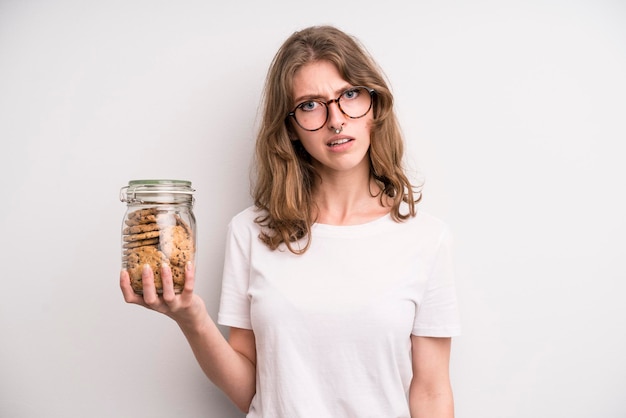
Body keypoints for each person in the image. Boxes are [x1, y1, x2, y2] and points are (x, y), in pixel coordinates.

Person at [120, 25, 461, 418]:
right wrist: (191, 318)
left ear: (374, 105)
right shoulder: (250, 232)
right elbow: (250, 391)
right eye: (311, 105)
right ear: (292, 128)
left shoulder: (426, 239)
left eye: (349, 94)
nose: (336, 120)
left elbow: (432, 392)